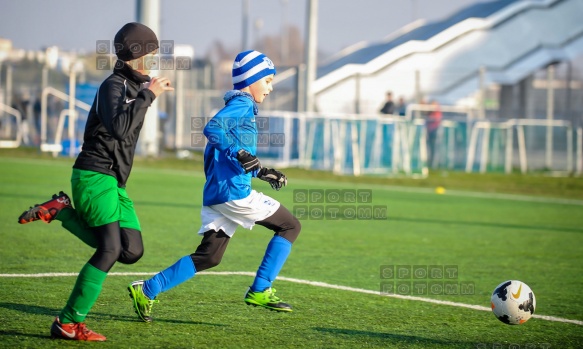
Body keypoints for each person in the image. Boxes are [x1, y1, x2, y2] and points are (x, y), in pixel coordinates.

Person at [16, 22, 174, 341]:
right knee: (109, 249)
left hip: (114, 182)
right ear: (137, 53)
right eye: (153, 51)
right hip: (93, 174)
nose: (156, 57)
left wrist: (146, 93)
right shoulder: (113, 85)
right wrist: (148, 96)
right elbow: (118, 128)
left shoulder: (136, 86)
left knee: (130, 251)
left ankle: (61, 210)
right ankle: (68, 323)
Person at [127, 50, 301, 323]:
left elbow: (230, 156)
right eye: (267, 80)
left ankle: (148, 289)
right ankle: (260, 289)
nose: (271, 87)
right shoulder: (242, 104)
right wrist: (240, 155)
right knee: (291, 226)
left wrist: (261, 170)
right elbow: (213, 129)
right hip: (233, 194)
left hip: (218, 193)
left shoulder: (240, 106)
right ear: (251, 79)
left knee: (209, 256)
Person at [426, 100, 442, 167]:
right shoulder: (430, 113)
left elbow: (436, 120)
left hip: (435, 131)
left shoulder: (437, 112)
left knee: (434, 148)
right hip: (430, 131)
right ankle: (430, 162)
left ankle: (434, 163)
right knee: (430, 147)